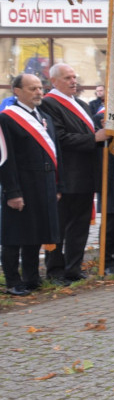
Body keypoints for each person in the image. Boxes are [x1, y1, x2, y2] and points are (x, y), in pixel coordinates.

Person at [40, 63, 106, 283]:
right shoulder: (49, 103)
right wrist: (94, 138)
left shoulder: (80, 103)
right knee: (59, 226)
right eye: (67, 77)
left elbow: (88, 134)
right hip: (66, 175)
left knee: (79, 225)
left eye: (74, 77)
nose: (73, 81)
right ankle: (55, 271)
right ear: (54, 81)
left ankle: (73, 268)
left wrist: (100, 134)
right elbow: (59, 138)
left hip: (86, 174)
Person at [0, 74, 61, 296]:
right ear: (17, 91)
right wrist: (12, 192)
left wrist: (58, 185)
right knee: (14, 236)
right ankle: (13, 281)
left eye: (40, 87)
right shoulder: (7, 118)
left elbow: (56, 154)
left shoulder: (44, 117)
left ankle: (32, 278)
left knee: (35, 233)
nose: (38, 92)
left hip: (44, 184)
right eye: (32, 88)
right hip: (21, 185)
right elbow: (6, 159)